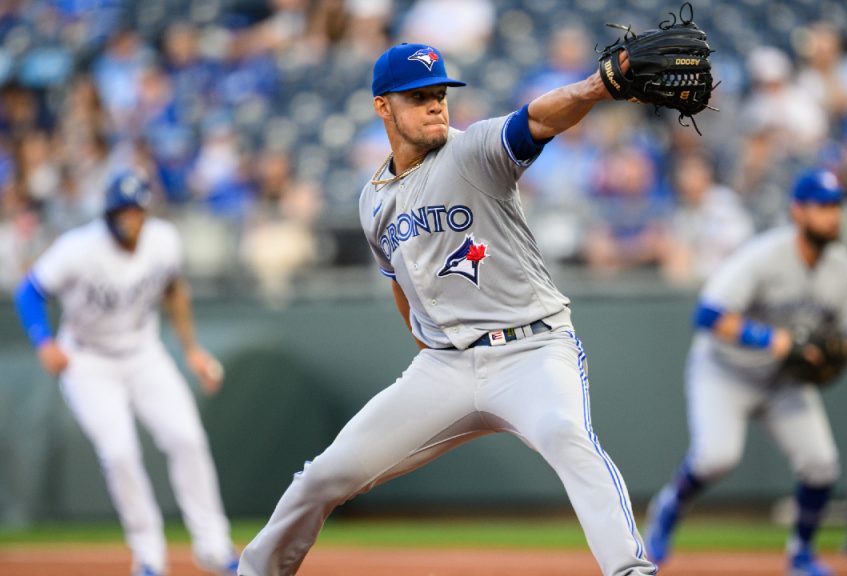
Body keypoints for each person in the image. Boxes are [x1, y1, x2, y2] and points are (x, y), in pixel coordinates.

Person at [238, 43, 657, 575]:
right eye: (418, 97)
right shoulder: (373, 200)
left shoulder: (474, 151)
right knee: (324, 475)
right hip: (446, 364)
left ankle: (631, 569)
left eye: (439, 94)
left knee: (565, 433)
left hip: (532, 349)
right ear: (383, 107)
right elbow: (400, 281)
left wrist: (597, 87)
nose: (436, 106)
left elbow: (537, 119)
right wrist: (429, 361)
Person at [12, 172, 238, 576]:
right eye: (122, 210)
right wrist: (43, 341)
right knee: (119, 453)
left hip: (143, 352)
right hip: (88, 362)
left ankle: (213, 546)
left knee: (187, 438)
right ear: (108, 213)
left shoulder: (164, 240)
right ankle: (149, 555)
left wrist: (191, 350)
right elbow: (29, 291)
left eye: (136, 210)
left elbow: (174, 290)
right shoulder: (78, 248)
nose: (130, 218)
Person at [644, 169, 847, 576]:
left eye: (836, 207)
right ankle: (669, 507)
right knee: (716, 458)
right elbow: (707, 314)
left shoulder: (845, 267)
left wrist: (836, 351)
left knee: (821, 464)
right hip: (725, 371)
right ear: (799, 211)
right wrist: (771, 339)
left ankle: (801, 554)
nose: (833, 216)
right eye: (823, 207)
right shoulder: (764, 255)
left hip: (783, 380)